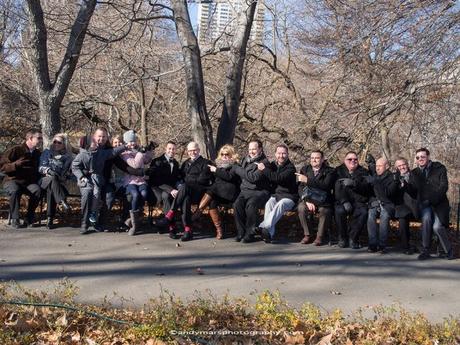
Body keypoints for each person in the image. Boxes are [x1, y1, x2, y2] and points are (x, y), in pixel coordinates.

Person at [72, 127, 126, 234]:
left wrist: (126, 146)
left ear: (107, 137)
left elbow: (115, 154)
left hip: (103, 181)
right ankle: (85, 222)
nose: (101, 139)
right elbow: (75, 166)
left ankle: (99, 222)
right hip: (87, 180)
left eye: (104, 136)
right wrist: (83, 175)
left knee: (108, 196)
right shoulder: (83, 153)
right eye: (99, 136)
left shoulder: (106, 151)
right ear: (94, 137)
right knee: (88, 194)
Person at [156, 142, 213, 241]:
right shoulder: (185, 163)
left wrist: (186, 181)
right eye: (190, 150)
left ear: (198, 150)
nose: (192, 152)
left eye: (194, 150)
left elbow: (202, 180)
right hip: (186, 192)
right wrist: (179, 184)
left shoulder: (206, 162)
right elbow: (180, 177)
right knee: (185, 198)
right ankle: (188, 230)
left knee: (185, 186)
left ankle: (170, 214)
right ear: (187, 152)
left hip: (199, 192)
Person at [407, 148, 454, 260]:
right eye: (418, 157)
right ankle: (425, 250)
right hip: (424, 204)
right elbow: (413, 192)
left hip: (439, 203)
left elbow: (444, 186)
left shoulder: (439, 168)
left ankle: (448, 250)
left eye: (423, 156)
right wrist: (405, 184)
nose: (420, 159)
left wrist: (432, 199)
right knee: (426, 220)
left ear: (428, 157)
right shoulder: (414, 173)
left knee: (437, 227)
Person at [195, 145, 241, 239]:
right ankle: (219, 230)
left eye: (227, 154)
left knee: (213, 188)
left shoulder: (235, 165)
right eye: (222, 154)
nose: (224, 156)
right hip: (218, 193)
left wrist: (216, 170)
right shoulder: (217, 164)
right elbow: (209, 178)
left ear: (231, 155)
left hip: (230, 193)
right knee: (212, 202)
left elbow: (229, 177)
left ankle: (197, 213)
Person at [0, 129, 43, 228]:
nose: (41, 140)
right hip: (12, 180)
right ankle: (15, 219)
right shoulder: (16, 150)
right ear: (30, 138)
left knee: (37, 190)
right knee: (15, 190)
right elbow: (2, 166)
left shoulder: (37, 153)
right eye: (39, 138)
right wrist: (15, 165)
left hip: (28, 183)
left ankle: (29, 217)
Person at [257, 144, 298, 244]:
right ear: (275, 154)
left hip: (289, 198)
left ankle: (263, 226)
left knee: (281, 204)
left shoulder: (291, 168)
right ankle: (268, 235)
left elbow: (277, 178)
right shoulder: (273, 165)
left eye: (284, 153)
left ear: (288, 154)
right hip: (276, 196)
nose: (281, 155)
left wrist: (264, 169)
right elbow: (266, 173)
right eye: (279, 153)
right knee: (269, 203)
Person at [232, 140, 271, 243]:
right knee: (237, 205)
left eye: (254, 149)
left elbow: (253, 178)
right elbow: (244, 177)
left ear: (260, 149)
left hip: (259, 191)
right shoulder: (245, 159)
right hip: (245, 190)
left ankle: (250, 233)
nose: (251, 151)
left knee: (251, 205)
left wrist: (237, 169)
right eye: (250, 149)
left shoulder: (264, 162)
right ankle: (241, 232)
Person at [296, 150, 336, 246]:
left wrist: (307, 180)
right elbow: (301, 187)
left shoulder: (330, 171)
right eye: (312, 158)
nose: (314, 160)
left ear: (322, 159)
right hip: (308, 198)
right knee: (301, 208)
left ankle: (319, 236)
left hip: (324, 200)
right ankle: (308, 234)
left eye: (317, 158)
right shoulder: (305, 169)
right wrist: (307, 200)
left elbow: (326, 186)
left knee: (324, 211)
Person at [334, 151, 371, 249]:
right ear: (344, 160)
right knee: (339, 211)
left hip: (358, 200)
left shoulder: (363, 171)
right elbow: (337, 187)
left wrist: (354, 184)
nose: (352, 161)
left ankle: (353, 238)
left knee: (363, 212)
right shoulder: (338, 171)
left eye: (355, 159)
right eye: (349, 159)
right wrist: (344, 201)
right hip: (342, 200)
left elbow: (366, 188)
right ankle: (342, 237)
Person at [120, 130, 154, 235]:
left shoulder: (137, 150)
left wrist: (149, 150)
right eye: (129, 142)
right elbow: (135, 165)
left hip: (141, 180)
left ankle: (132, 219)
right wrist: (140, 152)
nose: (132, 143)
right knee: (135, 195)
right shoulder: (125, 154)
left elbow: (147, 160)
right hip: (130, 181)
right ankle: (135, 226)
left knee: (144, 194)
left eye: (133, 141)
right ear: (125, 143)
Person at [38, 133, 73, 229]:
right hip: (43, 180)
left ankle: (49, 219)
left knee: (51, 188)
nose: (56, 144)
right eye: (55, 142)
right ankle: (61, 201)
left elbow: (66, 173)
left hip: (58, 183)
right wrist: (48, 171)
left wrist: (64, 175)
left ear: (64, 144)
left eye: (59, 142)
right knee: (51, 179)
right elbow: (40, 168)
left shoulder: (67, 157)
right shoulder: (47, 152)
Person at [366, 157, 399, 254]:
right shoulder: (375, 176)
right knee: (371, 215)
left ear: (387, 166)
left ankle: (382, 245)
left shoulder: (392, 178)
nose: (377, 168)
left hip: (388, 204)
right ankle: (372, 244)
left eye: (380, 166)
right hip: (375, 204)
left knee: (384, 216)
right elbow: (371, 193)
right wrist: (373, 201)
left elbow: (388, 193)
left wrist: (375, 183)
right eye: (376, 166)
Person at [147, 141, 181, 216]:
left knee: (174, 194)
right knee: (166, 195)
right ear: (165, 149)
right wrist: (171, 189)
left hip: (169, 188)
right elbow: (156, 180)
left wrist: (178, 187)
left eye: (173, 149)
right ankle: (170, 222)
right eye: (169, 148)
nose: (171, 151)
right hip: (157, 187)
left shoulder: (176, 163)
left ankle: (170, 220)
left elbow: (176, 178)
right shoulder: (157, 161)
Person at [393, 157, 419, 254]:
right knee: (402, 215)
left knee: (403, 216)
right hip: (399, 206)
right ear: (396, 168)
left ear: (407, 164)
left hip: (412, 206)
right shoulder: (394, 176)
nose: (401, 167)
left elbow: (415, 191)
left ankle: (405, 245)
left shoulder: (415, 175)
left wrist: (405, 184)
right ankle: (405, 245)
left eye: (403, 164)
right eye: (399, 166)